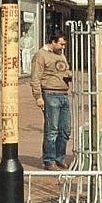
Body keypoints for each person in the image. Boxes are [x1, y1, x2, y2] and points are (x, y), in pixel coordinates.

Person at [30, 32, 72, 171]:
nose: (62, 47)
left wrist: (68, 75)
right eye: (61, 44)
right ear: (52, 42)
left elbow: (64, 70)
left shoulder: (60, 55)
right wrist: (38, 97)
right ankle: (49, 160)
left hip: (63, 94)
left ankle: (60, 158)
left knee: (65, 130)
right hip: (50, 94)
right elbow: (35, 77)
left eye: (64, 45)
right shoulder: (41, 55)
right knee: (52, 130)